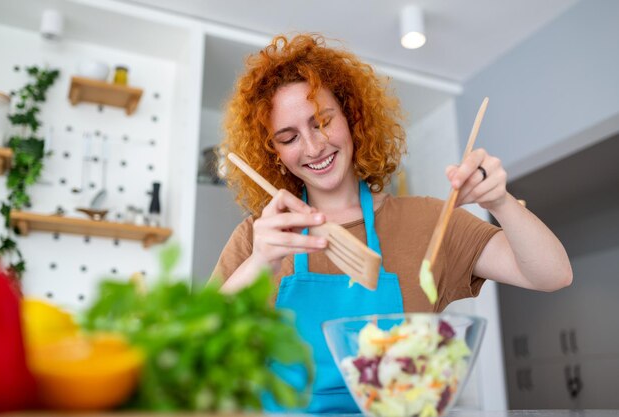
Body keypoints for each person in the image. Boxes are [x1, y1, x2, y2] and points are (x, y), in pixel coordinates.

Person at [210, 33, 572, 413]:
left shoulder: (430, 220)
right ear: (275, 155)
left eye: (322, 121)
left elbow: (552, 275)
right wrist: (259, 264)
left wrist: (500, 201)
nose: (313, 147)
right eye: (289, 137)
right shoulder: (260, 237)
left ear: (351, 118)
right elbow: (199, 354)